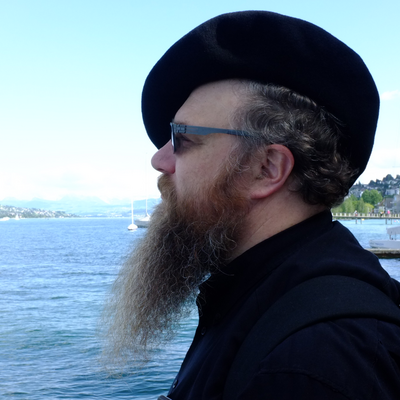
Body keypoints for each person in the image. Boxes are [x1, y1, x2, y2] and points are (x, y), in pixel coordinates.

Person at [104, 11, 400, 399]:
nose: (159, 160)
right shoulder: (265, 298)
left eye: (182, 139)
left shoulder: (315, 361)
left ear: (266, 169)